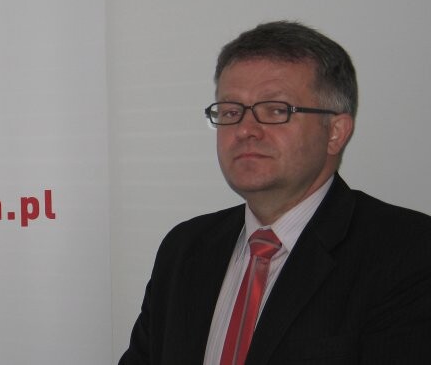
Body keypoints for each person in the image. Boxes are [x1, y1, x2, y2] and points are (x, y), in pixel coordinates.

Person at [119, 21, 431, 365]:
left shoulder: (408, 253)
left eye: (276, 110)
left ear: (335, 132)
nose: (245, 130)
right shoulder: (184, 249)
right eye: (231, 111)